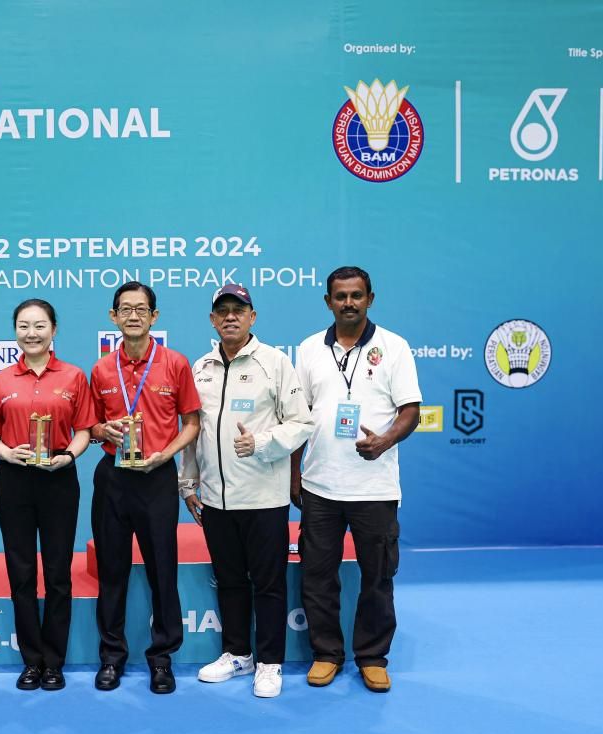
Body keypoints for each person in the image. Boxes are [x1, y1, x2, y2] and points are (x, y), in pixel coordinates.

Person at [179, 283, 314, 698]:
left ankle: (270, 662)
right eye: (223, 311)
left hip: (263, 498)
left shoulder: (275, 363)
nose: (230, 317)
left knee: (268, 584)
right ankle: (238, 654)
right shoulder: (201, 367)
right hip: (216, 500)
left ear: (252, 317)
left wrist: (261, 442)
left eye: (238, 310)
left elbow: (302, 423)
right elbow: (194, 432)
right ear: (212, 320)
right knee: (230, 580)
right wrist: (188, 484)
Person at [291, 266, 421, 693]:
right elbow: (297, 417)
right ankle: (326, 653)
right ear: (328, 301)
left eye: (356, 295)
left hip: (374, 487)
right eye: (341, 296)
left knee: (378, 576)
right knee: (317, 575)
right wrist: (294, 472)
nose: (349, 303)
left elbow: (411, 411)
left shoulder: (394, 347)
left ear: (370, 299)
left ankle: (372, 657)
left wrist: (384, 441)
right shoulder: (309, 349)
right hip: (320, 485)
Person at [89, 281, 200, 694]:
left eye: (141, 309)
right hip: (113, 478)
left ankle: (162, 659)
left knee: (162, 571)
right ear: (113, 316)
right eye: (125, 309)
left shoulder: (175, 363)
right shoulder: (101, 369)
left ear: (154, 316)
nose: (133, 316)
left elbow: (192, 423)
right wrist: (102, 430)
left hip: (157, 477)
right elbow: (90, 425)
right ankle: (111, 657)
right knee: (111, 572)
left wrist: (165, 454)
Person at [0, 299, 97, 691]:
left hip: (58, 479)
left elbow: (85, 429)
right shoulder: (1, 381)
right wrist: (6, 452)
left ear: (54, 329)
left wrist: (69, 456)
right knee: (21, 572)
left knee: (58, 572)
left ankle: (54, 663)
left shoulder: (74, 376)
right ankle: (31, 661)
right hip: (14, 480)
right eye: (24, 326)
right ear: (15, 330)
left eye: (39, 326)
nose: (31, 333)